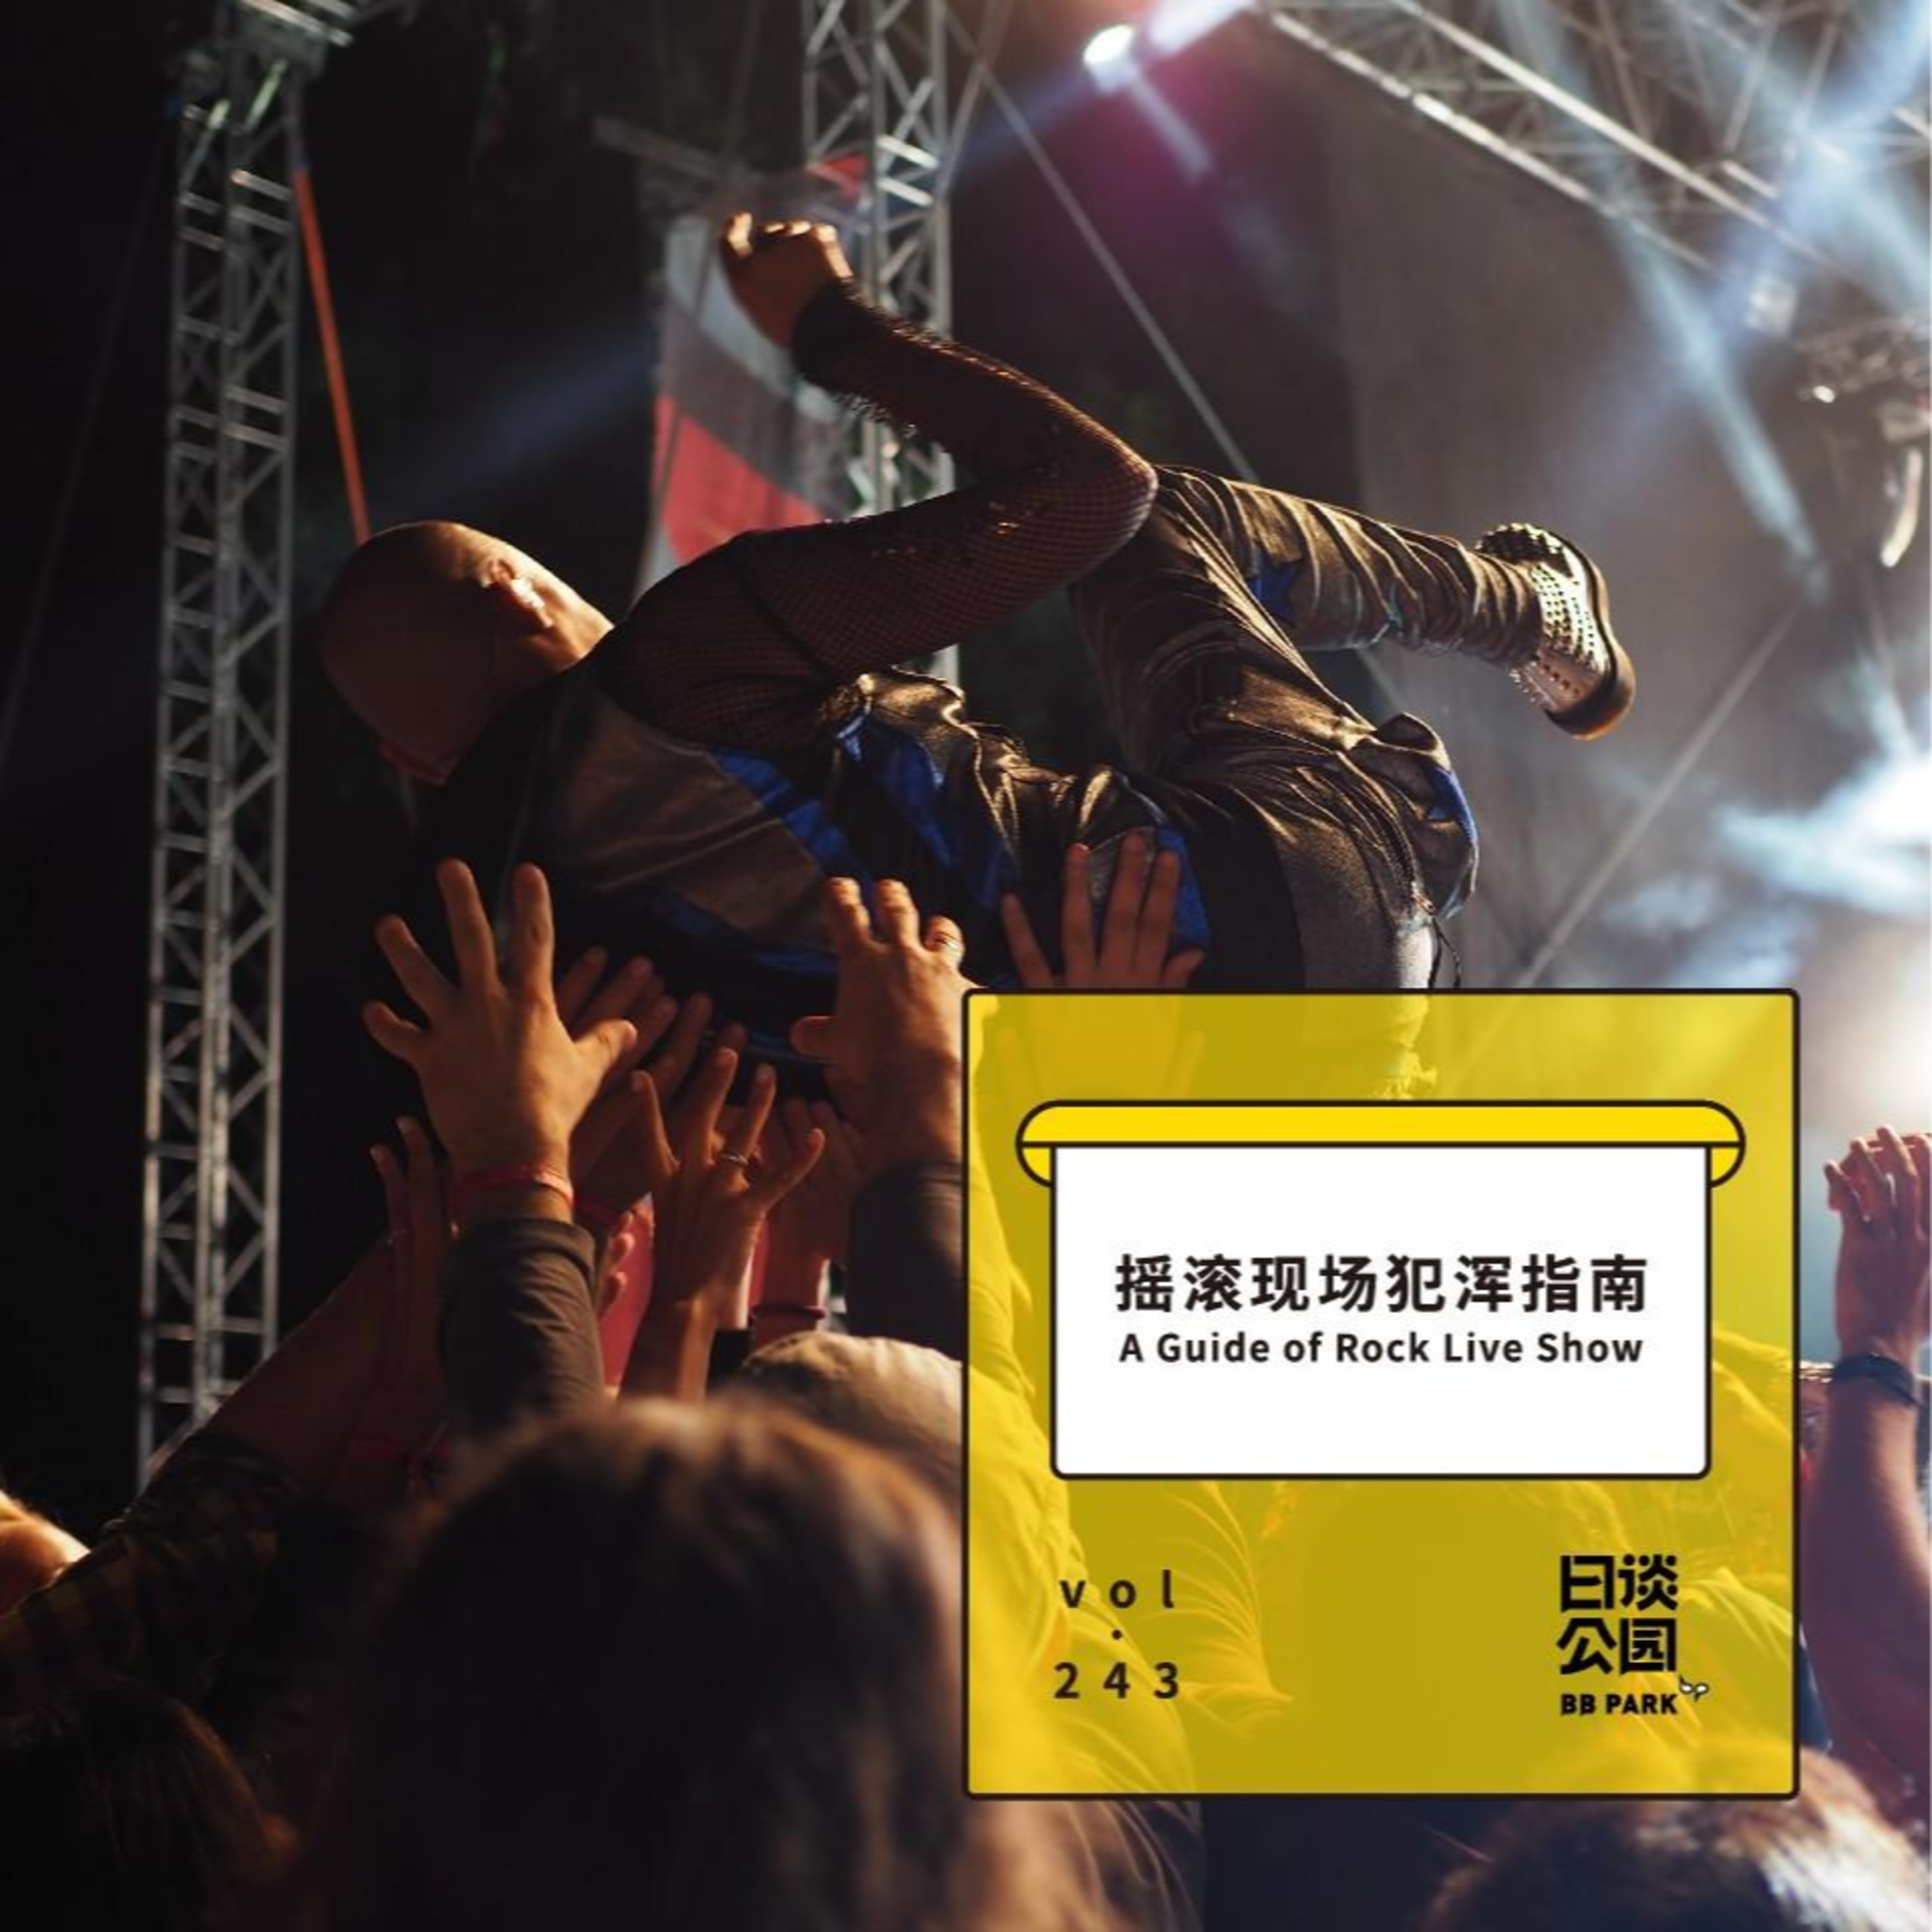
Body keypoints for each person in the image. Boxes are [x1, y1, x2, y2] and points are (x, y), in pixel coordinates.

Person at [319, 214, 1632, 1057]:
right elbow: (1088, 495)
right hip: (1270, 889)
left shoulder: (543, 971)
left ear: (414, 758)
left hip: (1214, 1102)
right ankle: (1528, 608)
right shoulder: (675, 667)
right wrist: (827, 326)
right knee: (1164, 520)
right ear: (515, 591)